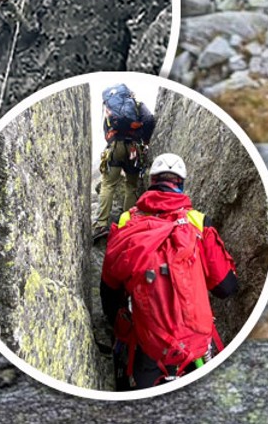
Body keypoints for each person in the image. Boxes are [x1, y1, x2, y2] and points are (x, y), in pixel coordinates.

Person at [100, 154, 240, 389]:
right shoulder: (197, 221)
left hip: (148, 344)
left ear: (152, 182)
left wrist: (117, 322)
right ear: (180, 184)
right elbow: (226, 288)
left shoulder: (126, 220)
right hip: (195, 341)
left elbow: (109, 288)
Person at [94, 84, 157, 239]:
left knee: (108, 184)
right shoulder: (136, 105)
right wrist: (144, 138)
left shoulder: (109, 108)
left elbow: (106, 131)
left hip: (115, 147)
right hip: (134, 149)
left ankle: (101, 225)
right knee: (131, 185)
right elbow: (149, 119)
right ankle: (127, 225)